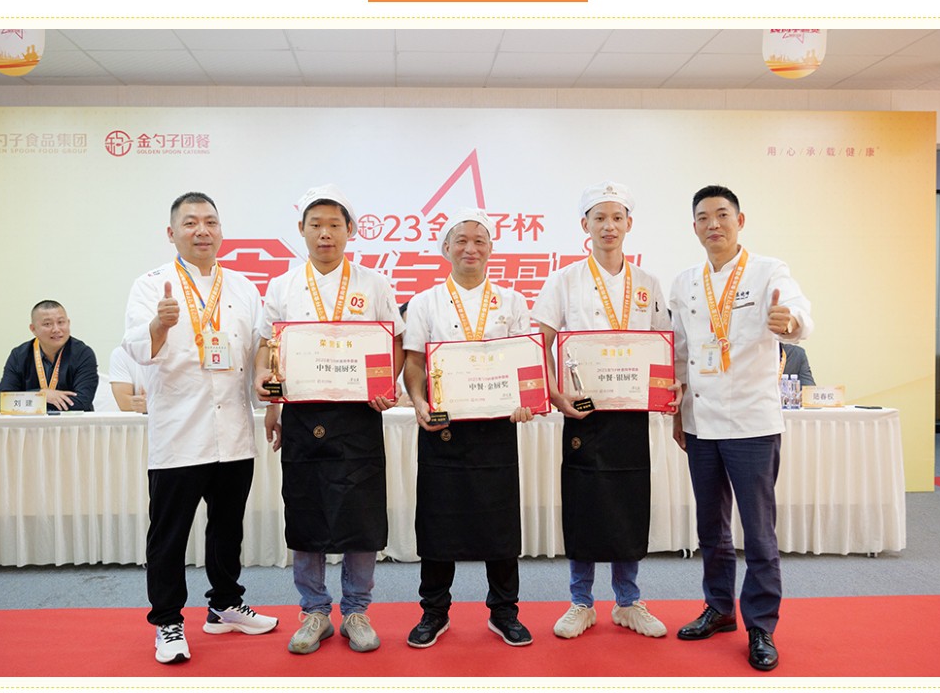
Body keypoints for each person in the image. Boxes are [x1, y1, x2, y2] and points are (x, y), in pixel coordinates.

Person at [123, 192, 277, 665]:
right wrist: (159, 324)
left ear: (221, 231)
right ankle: (168, 621)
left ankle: (225, 605)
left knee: (227, 529)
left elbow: (260, 347)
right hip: (179, 433)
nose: (202, 230)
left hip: (233, 431)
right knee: (169, 534)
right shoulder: (151, 285)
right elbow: (136, 348)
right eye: (190, 222)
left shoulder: (243, 287)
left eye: (210, 221)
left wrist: (267, 380)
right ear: (171, 233)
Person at [254, 185, 405, 655]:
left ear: (350, 231)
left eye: (334, 225)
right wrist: (271, 400)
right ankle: (314, 611)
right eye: (315, 225)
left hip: (358, 415)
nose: (325, 234)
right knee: (307, 511)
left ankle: (356, 610)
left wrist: (385, 384)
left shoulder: (373, 283)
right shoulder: (282, 286)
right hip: (303, 415)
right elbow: (268, 349)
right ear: (301, 230)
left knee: (361, 515)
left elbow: (394, 342)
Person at [669, 185, 813, 672]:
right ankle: (718, 608)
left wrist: (789, 322)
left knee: (758, 531)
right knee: (711, 527)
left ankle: (761, 625)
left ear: (740, 220)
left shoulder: (769, 270)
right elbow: (680, 354)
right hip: (700, 422)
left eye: (722, 214)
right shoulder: (685, 282)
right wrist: (677, 413)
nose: (713, 224)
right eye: (703, 217)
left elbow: (800, 315)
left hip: (752, 422)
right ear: (694, 227)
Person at [531, 181, 679, 641]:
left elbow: (663, 346)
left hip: (631, 414)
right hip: (583, 413)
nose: (608, 226)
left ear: (629, 224)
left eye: (617, 217)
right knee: (583, 506)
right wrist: (555, 394)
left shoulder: (648, 283)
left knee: (629, 504)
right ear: (585, 225)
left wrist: (666, 392)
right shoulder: (564, 280)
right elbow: (539, 342)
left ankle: (628, 602)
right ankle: (580, 602)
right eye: (599, 218)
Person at [402, 208, 535, 649]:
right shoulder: (424, 302)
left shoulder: (513, 302)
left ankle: (504, 611)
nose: (470, 248)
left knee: (500, 522)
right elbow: (414, 363)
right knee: (438, 521)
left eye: (479, 240)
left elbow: (525, 362)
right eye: (461, 240)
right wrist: (418, 400)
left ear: (491, 249)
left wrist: (527, 402)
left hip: (496, 428)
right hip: (443, 428)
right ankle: (434, 611)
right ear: (445, 248)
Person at [0, 300, 98, 411]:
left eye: (61, 322)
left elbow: (82, 402)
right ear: (33, 329)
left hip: (72, 421)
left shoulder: (83, 354)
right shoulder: (19, 355)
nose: (56, 329)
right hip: (30, 422)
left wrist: (34, 399)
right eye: (47, 324)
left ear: (68, 323)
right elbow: (2, 401)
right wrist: (41, 394)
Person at [109, 345, 149, 412]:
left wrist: (150, 404)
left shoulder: (168, 355)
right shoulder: (121, 353)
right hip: (137, 417)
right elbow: (124, 403)